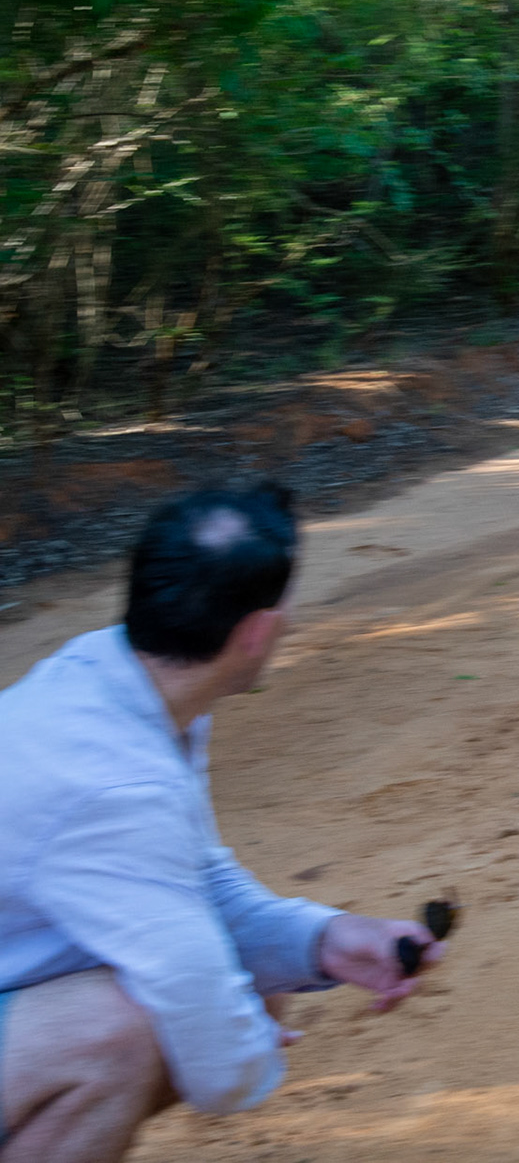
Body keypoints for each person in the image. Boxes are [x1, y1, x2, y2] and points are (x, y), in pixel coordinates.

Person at [0, 483, 446, 1161]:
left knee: (234, 986)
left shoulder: (118, 685)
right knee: (128, 1030)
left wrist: (321, 941)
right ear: (257, 632)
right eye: (289, 604)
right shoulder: (116, 780)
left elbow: (192, 883)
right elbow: (202, 1021)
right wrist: (247, 1052)